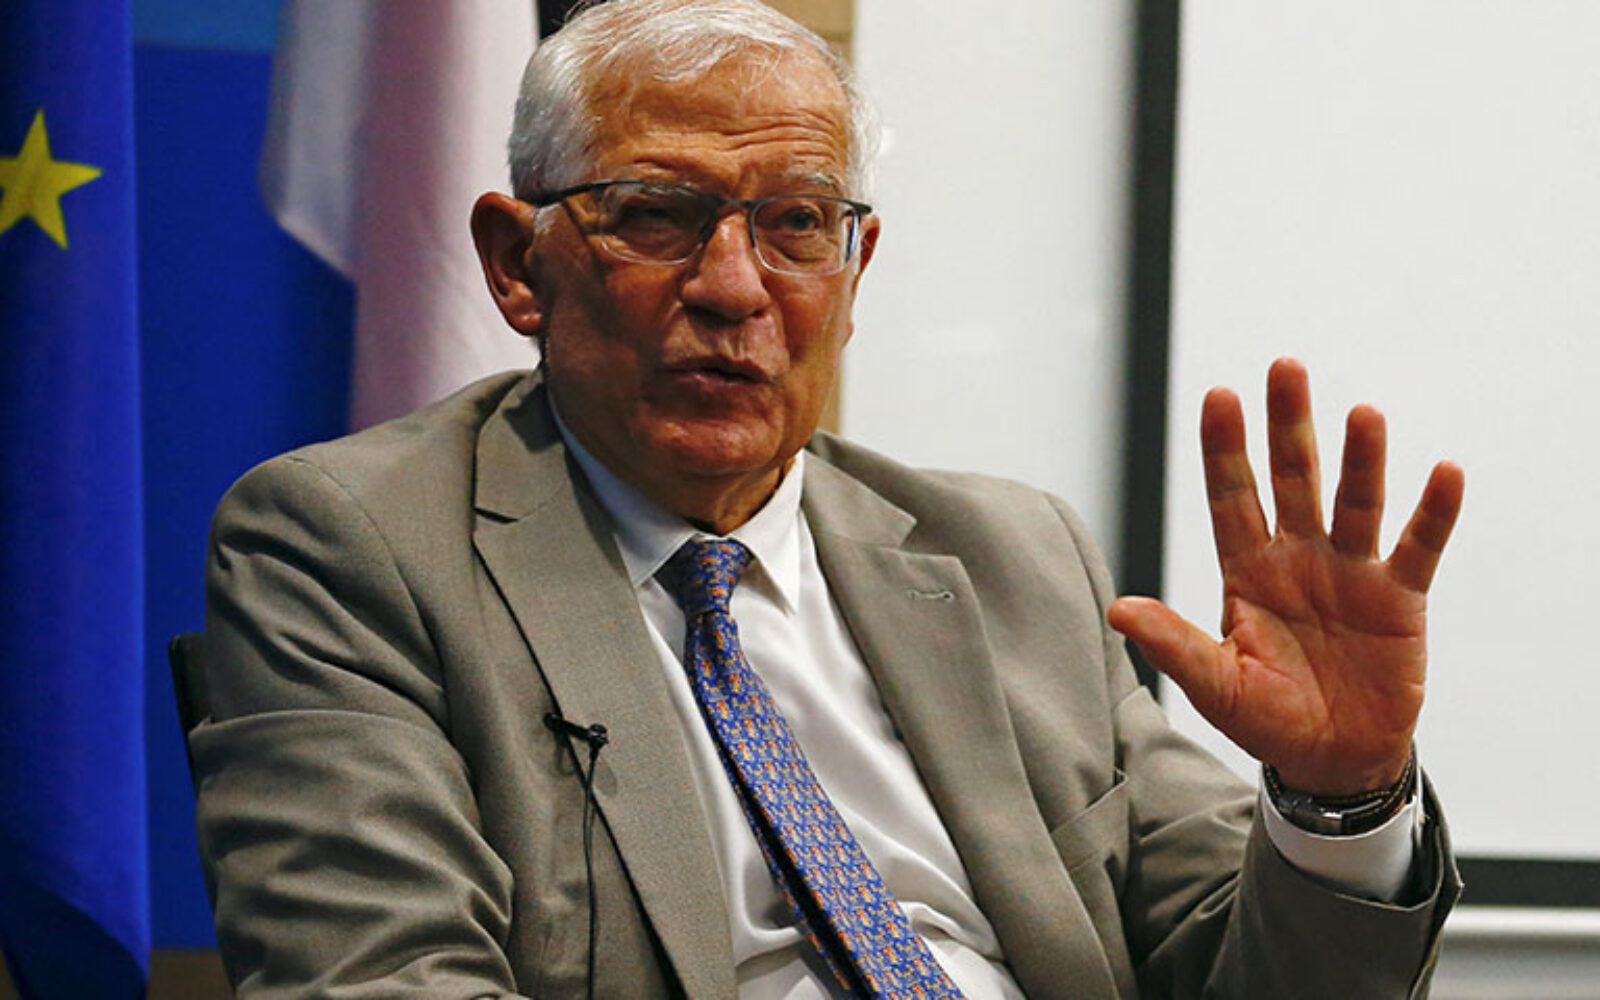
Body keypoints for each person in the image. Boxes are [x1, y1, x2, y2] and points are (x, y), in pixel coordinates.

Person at [191, 1, 1466, 997]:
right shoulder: (354, 545)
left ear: (854, 271)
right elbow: (383, 979)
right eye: (657, 215)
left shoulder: (1009, 556)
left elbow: (1252, 972)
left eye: (795, 223)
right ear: (519, 265)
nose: (733, 285)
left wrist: (1340, 799)